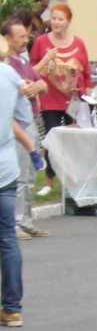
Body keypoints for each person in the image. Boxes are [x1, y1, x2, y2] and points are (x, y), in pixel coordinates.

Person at [29, 3, 87, 197]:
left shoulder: (78, 43)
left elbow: (86, 72)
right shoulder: (41, 42)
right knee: (51, 141)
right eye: (53, 18)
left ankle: (75, 179)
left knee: (74, 140)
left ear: (68, 21)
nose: (56, 22)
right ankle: (49, 179)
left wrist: (83, 93)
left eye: (60, 19)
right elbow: (32, 68)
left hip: (73, 100)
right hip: (49, 100)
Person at [4, 19, 47, 240]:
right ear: (8, 39)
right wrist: (27, 87)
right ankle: (16, 222)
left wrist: (37, 85)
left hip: (31, 119)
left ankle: (27, 221)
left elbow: (42, 84)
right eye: (20, 36)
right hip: (17, 124)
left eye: (26, 35)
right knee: (19, 174)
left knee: (30, 174)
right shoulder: (7, 66)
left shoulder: (23, 61)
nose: (26, 39)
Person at [0, 33, 25, 326]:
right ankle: (12, 307)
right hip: (6, 166)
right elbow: (24, 115)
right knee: (7, 238)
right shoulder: (11, 75)